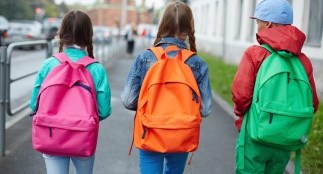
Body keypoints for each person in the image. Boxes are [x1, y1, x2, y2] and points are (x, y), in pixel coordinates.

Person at [121, 2, 212, 174]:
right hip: (182, 131)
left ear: (162, 24)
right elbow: (205, 109)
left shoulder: (145, 57)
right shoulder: (198, 63)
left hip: (150, 129)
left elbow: (127, 101)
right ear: (189, 28)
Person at [231, 0, 319, 173]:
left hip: (255, 134)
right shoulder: (303, 62)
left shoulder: (254, 54)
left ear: (268, 24)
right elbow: (313, 104)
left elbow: (241, 96)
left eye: (258, 22)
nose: (257, 27)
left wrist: (242, 118)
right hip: (286, 138)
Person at [29, 10, 111, 174]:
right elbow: (103, 110)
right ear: (89, 35)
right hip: (83, 136)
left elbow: (34, 105)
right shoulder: (96, 69)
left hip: (51, 135)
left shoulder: (48, 65)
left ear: (61, 34)